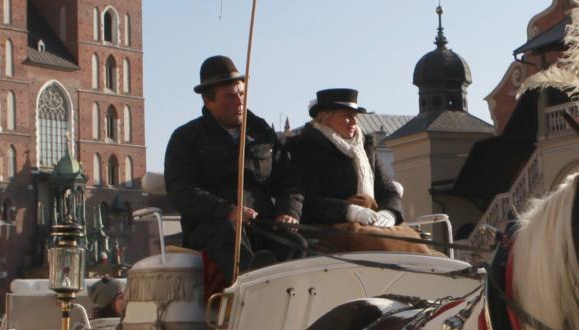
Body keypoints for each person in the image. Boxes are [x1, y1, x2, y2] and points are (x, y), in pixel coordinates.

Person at [163, 55, 305, 275]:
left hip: (263, 225)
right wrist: (227, 211)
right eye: (230, 97)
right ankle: (252, 291)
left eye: (242, 94)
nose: (240, 102)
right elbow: (181, 191)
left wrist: (289, 212)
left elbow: (290, 179)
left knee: (294, 243)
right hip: (214, 228)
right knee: (231, 237)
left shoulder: (262, 131)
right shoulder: (186, 138)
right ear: (208, 101)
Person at [286, 88, 406, 229]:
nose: (353, 122)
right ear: (326, 117)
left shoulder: (365, 148)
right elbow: (306, 200)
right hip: (328, 229)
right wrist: (350, 211)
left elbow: (389, 190)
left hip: (371, 221)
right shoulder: (304, 148)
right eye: (347, 116)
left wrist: (390, 212)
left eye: (355, 116)